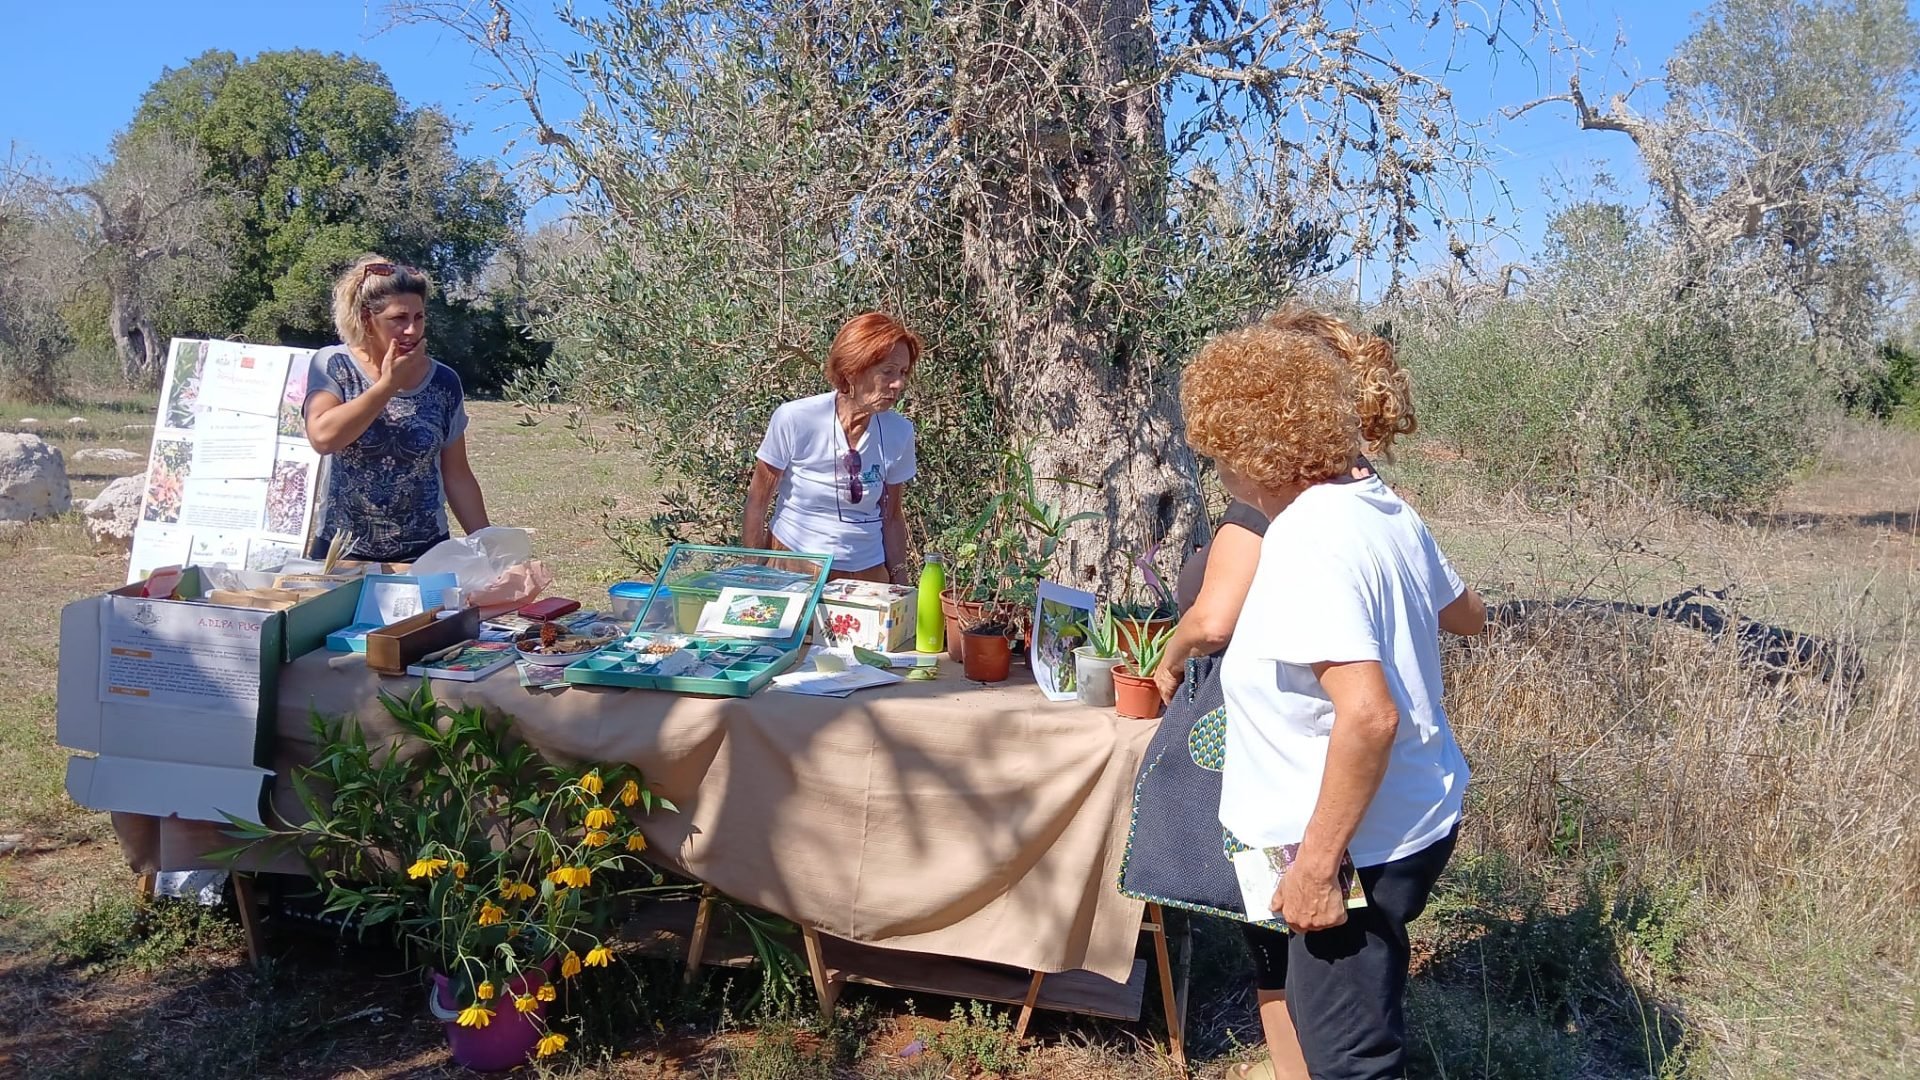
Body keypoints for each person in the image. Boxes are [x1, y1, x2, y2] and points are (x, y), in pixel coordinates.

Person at [1180, 307, 1486, 1080]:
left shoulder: (1307, 540)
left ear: (1256, 452)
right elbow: (1468, 615)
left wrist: (1317, 869)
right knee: (1330, 1028)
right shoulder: (1379, 507)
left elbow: (1370, 715)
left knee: (1351, 1061)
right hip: (1401, 818)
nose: (1223, 478)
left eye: (1220, 460)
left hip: (1354, 850)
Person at [302, 254, 489, 564]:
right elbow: (323, 438)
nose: (412, 330)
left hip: (425, 554)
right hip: (342, 553)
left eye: (419, 317)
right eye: (399, 319)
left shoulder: (444, 381)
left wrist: (491, 550)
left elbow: (457, 475)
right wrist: (388, 385)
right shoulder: (335, 365)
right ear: (367, 319)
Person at [742, 312, 920, 584]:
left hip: (868, 576)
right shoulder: (796, 418)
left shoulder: (900, 431)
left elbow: (892, 516)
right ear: (852, 370)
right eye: (888, 371)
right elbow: (758, 501)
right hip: (794, 567)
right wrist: (753, 573)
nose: (899, 384)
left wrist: (900, 580)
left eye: (903, 372)